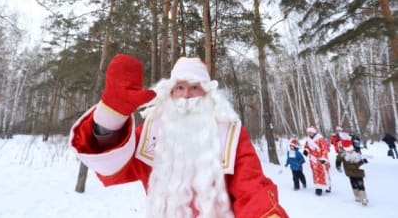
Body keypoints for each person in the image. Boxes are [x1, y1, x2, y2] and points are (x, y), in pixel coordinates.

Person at [69, 54, 288, 218]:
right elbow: (113, 170)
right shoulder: (151, 133)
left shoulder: (230, 134)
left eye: (195, 87)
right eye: (179, 87)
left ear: (209, 94)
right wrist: (110, 119)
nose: (186, 95)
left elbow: (252, 188)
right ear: (169, 93)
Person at [335, 138, 369, 205]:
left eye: (351, 150)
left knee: (360, 184)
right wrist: (338, 166)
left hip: (358, 172)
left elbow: (358, 164)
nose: (350, 151)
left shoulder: (356, 155)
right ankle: (357, 196)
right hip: (350, 172)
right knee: (354, 184)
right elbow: (338, 160)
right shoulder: (344, 155)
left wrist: (363, 161)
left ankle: (364, 198)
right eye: (348, 150)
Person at [303, 125, 331, 196]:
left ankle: (327, 185)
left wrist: (324, 158)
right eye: (308, 132)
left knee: (323, 173)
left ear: (314, 132)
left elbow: (324, 149)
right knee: (315, 174)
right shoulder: (308, 140)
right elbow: (306, 147)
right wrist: (306, 151)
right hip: (313, 159)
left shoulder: (320, 139)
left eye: (311, 132)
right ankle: (318, 187)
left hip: (320, 159)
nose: (309, 133)